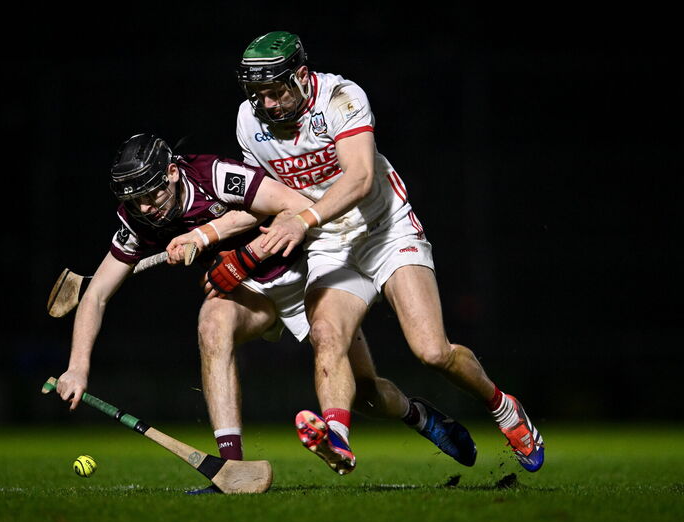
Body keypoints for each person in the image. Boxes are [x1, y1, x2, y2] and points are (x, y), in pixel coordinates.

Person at [55, 132, 478, 494]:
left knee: (365, 393)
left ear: (170, 172)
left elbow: (291, 204)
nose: (147, 208)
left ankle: (417, 415)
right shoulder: (139, 219)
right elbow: (95, 295)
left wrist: (206, 235)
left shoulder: (214, 176)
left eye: (152, 194)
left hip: (310, 273)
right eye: (136, 200)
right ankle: (231, 467)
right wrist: (77, 368)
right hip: (252, 294)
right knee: (212, 323)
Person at [220, 31, 544, 474]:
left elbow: (359, 179)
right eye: (257, 94)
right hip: (329, 242)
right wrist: (203, 237)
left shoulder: (341, 96)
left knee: (432, 351)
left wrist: (302, 220)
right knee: (327, 337)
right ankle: (337, 438)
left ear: (300, 76)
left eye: (275, 92)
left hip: (385, 229)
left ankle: (504, 407)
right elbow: (262, 198)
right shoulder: (248, 121)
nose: (268, 105)